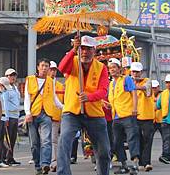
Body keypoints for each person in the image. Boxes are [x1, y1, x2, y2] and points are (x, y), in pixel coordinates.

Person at [57, 35, 111, 175]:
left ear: (94, 50)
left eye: (88, 49)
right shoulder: (72, 61)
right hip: (72, 112)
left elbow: (103, 91)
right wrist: (73, 50)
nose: (85, 52)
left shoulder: (102, 68)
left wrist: (89, 97)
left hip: (94, 114)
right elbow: (61, 67)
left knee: (104, 151)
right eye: (82, 48)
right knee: (64, 140)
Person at [25, 59, 63, 175]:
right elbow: (27, 97)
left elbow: (54, 98)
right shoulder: (30, 79)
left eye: (47, 66)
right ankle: (38, 166)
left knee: (46, 140)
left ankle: (45, 164)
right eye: (42, 66)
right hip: (33, 114)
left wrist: (65, 107)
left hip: (46, 114)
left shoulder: (50, 81)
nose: (44, 68)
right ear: (38, 67)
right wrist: (27, 112)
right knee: (35, 144)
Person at [107, 58, 139, 174]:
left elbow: (134, 93)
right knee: (116, 142)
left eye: (114, 67)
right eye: (110, 68)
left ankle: (135, 164)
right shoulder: (111, 84)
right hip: (116, 116)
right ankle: (124, 165)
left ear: (119, 69)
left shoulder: (127, 79)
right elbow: (113, 101)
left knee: (132, 139)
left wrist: (135, 108)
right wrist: (108, 105)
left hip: (128, 114)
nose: (112, 70)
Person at [130, 62, 155, 172]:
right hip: (134, 115)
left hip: (147, 116)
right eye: (134, 71)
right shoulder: (128, 81)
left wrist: (135, 87)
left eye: (138, 71)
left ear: (141, 72)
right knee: (137, 139)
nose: (136, 73)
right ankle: (140, 161)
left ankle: (147, 162)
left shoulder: (148, 81)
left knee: (147, 139)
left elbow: (146, 89)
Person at [4, 68, 22, 166]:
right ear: (6, 77)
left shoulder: (15, 88)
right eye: (10, 75)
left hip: (15, 115)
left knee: (13, 138)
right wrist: (6, 117)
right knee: (8, 138)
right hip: (9, 116)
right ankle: (6, 157)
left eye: (14, 75)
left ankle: (10, 157)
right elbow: (5, 104)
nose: (12, 77)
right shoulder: (6, 89)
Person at [48, 61, 64, 172]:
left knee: (55, 140)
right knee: (47, 140)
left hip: (58, 116)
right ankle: (50, 161)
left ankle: (55, 161)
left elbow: (62, 101)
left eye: (54, 70)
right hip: (46, 116)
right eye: (51, 69)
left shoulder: (60, 86)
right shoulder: (44, 84)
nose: (53, 72)